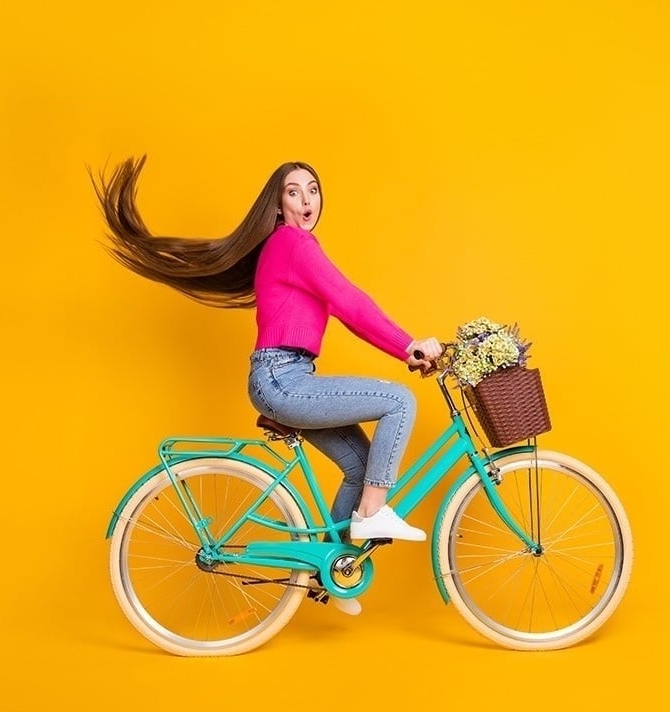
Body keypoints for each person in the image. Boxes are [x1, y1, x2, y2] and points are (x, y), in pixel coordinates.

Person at [92, 155, 443, 616]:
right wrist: (408, 344)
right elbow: (350, 300)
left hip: (286, 377)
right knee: (399, 398)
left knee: (358, 466)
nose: (306, 200)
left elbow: (346, 309)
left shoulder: (289, 247)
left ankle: (334, 568)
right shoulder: (294, 243)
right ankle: (372, 514)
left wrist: (403, 347)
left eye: (313, 190)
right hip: (283, 377)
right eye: (293, 192)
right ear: (277, 206)